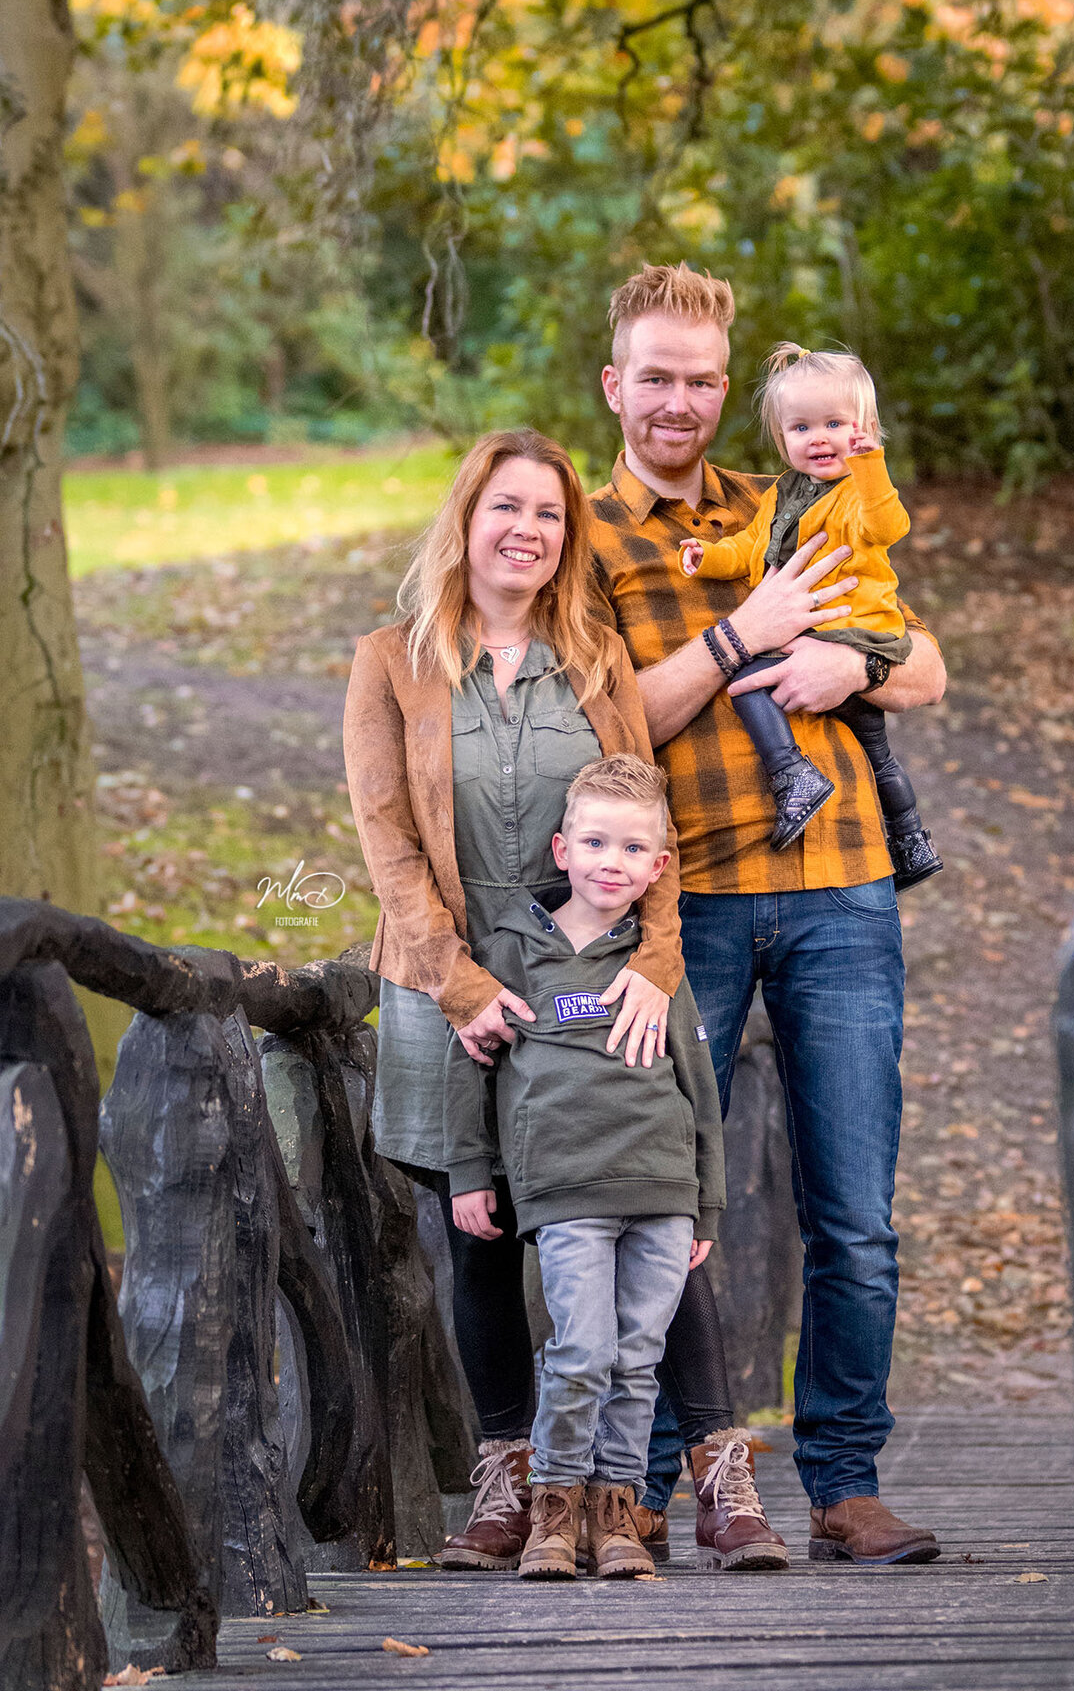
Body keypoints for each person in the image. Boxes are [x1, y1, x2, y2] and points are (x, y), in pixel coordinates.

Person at [341, 427, 757, 1573]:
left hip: (598, 974)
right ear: (466, 520)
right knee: (481, 1235)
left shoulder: (596, 656)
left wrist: (658, 964)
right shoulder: (393, 659)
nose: (525, 531)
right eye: (504, 508)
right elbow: (385, 837)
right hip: (452, 982)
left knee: (649, 1200)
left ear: (567, 538)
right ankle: (514, 1478)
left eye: (549, 515)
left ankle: (711, 1472)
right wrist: (458, 980)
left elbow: (652, 812)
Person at [589, 262, 946, 1566]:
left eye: (700, 379)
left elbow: (930, 664)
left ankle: (842, 1483)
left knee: (853, 1213)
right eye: (657, 378)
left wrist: (862, 659)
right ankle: (638, 1479)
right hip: (686, 911)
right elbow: (606, 718)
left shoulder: (801, 487)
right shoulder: (585, 531)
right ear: (615, 385)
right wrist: (741, 636)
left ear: (723, 388)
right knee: (647, 1199)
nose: (679, 401)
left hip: (842, 890)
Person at [443, 755, 738, 1580]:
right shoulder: (513, 948)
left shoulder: (655, 965)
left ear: (658, 867)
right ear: (561, 847)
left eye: (633, 848)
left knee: (638, 1356)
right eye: (597, 842)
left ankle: (617, 1518)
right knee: (581, 1349)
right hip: (566, 1188)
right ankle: (554, 1514)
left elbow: (699, 1086)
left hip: (661, 1189)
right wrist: (470, 1169)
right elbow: (467, 1062)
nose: (613, 861)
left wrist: (706, 1208)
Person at [679, 343, 942, 889]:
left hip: (854, 633)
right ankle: (912, 840)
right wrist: (710, 557)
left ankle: (791, 772)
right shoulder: (780, 496)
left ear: (863, 428)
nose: (818, 437)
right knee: (877, 752)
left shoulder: (855, 493)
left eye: (834, 424)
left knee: (748, 678)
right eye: (800, 428)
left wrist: (871, 464)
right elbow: (751, 545)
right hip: (824, 636)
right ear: (782, 439)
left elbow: (888, 525)